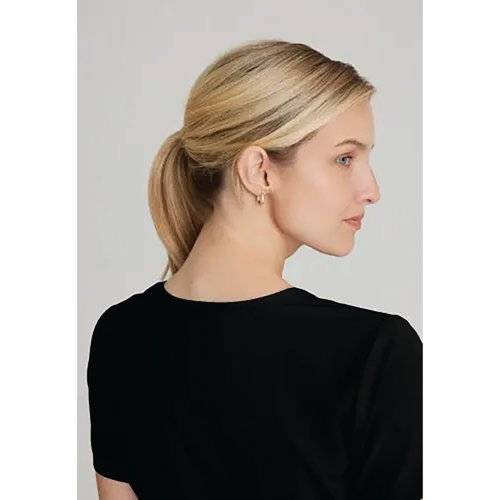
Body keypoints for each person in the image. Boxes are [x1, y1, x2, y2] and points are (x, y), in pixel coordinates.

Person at [86, 39, 422, 499]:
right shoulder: (375, 355)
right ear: (259, 170)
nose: (371, 189)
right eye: (345, 158)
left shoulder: (121, 334)